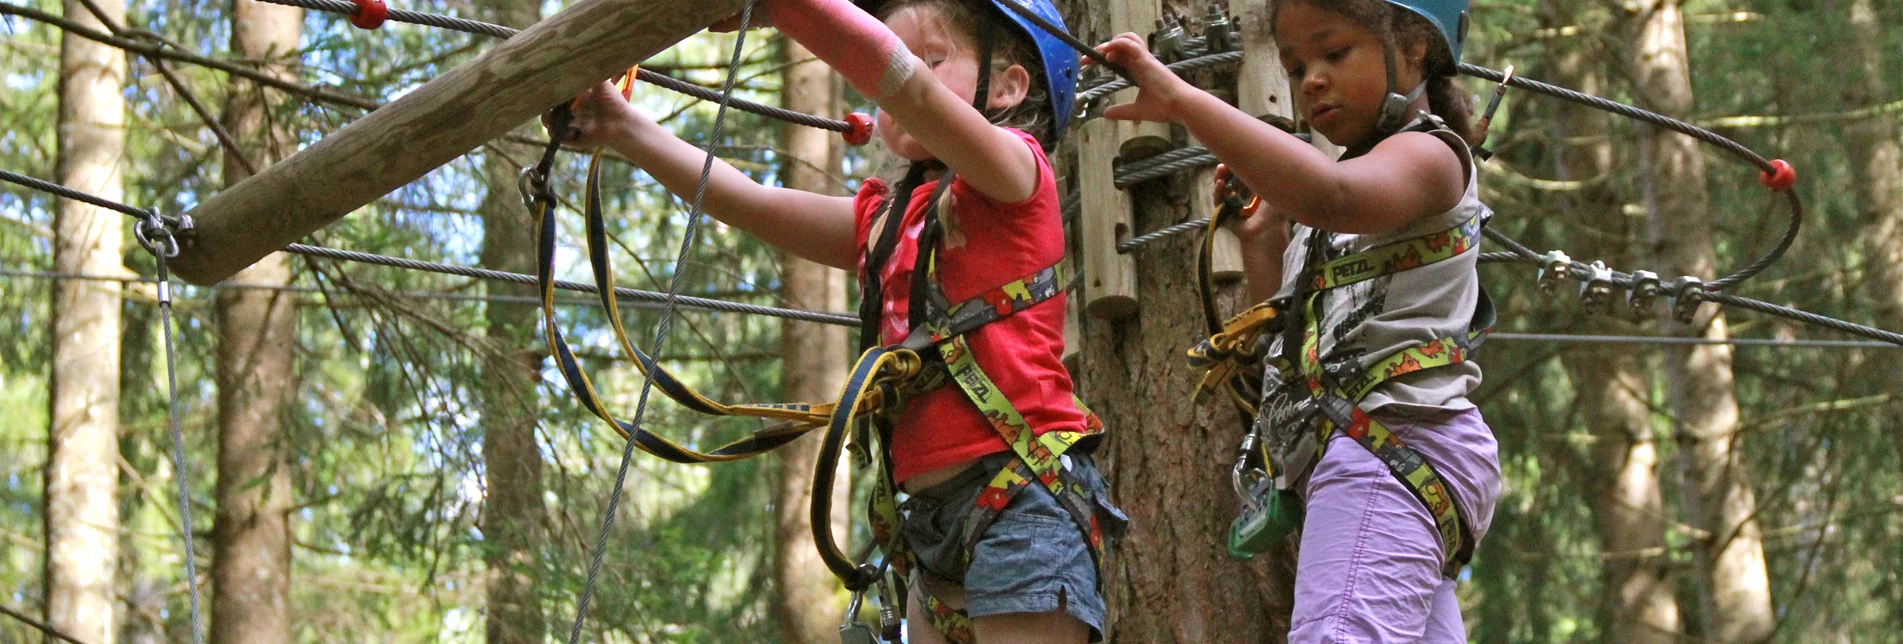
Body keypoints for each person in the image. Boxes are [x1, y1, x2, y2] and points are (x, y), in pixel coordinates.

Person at [561, 0, 1123, 641]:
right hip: (929, 527)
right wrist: (626, 128)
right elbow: (751, 201)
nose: (906, 82)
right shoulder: (883, 220)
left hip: (1023, 500)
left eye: (932, 58)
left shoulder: (1017, 177)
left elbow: (900, 84)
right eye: (904, 57)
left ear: (1008, 86)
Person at [1095, 0, 1501, 640]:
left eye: (1335, 53)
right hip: (1389, 459)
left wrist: (1181, 100)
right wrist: (1265, 239)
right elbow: (1298, 344)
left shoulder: (1433, 156)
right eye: (1294, 66)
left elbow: (1331, 195)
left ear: (1415, 45)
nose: (1311, 79)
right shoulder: (1335, 208)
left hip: (1390, 450)